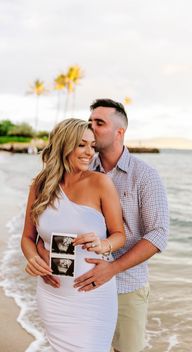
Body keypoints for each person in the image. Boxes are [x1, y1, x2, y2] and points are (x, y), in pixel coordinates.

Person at [38, 100, 169, 352]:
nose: (92, 128)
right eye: (90, 122)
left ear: (119, 132)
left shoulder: (145, 175)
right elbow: (51, 222)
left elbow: (159, 234)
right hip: (77, 286)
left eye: (100, 123)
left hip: (126, 284)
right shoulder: (81, 168)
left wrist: (113, 268)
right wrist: (40, 251)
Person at [21, 118, 125, 352]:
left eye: (92, 146)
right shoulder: (40, 185)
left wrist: (103, 243)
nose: (90, 152)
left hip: (93, 294)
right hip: (53, 293)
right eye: (82, 145)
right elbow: (28, 238)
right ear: (64, 144)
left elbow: (120, 234)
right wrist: (33, 259)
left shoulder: (101, 183)